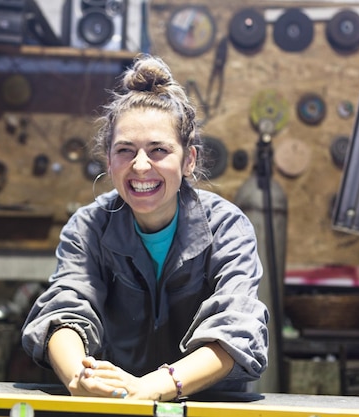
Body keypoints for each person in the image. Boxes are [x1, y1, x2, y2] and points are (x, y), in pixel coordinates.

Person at [21, 54, 269, 401]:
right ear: (108, 159)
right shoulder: (88, 227)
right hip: (115, 404)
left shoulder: (227, 228)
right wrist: (79, 379)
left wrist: (156, 386)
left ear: (189, 160)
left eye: (158, 150)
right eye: (125, 150)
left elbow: (237, 326)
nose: (140, 166)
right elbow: (66, 309)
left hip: (204, 405)